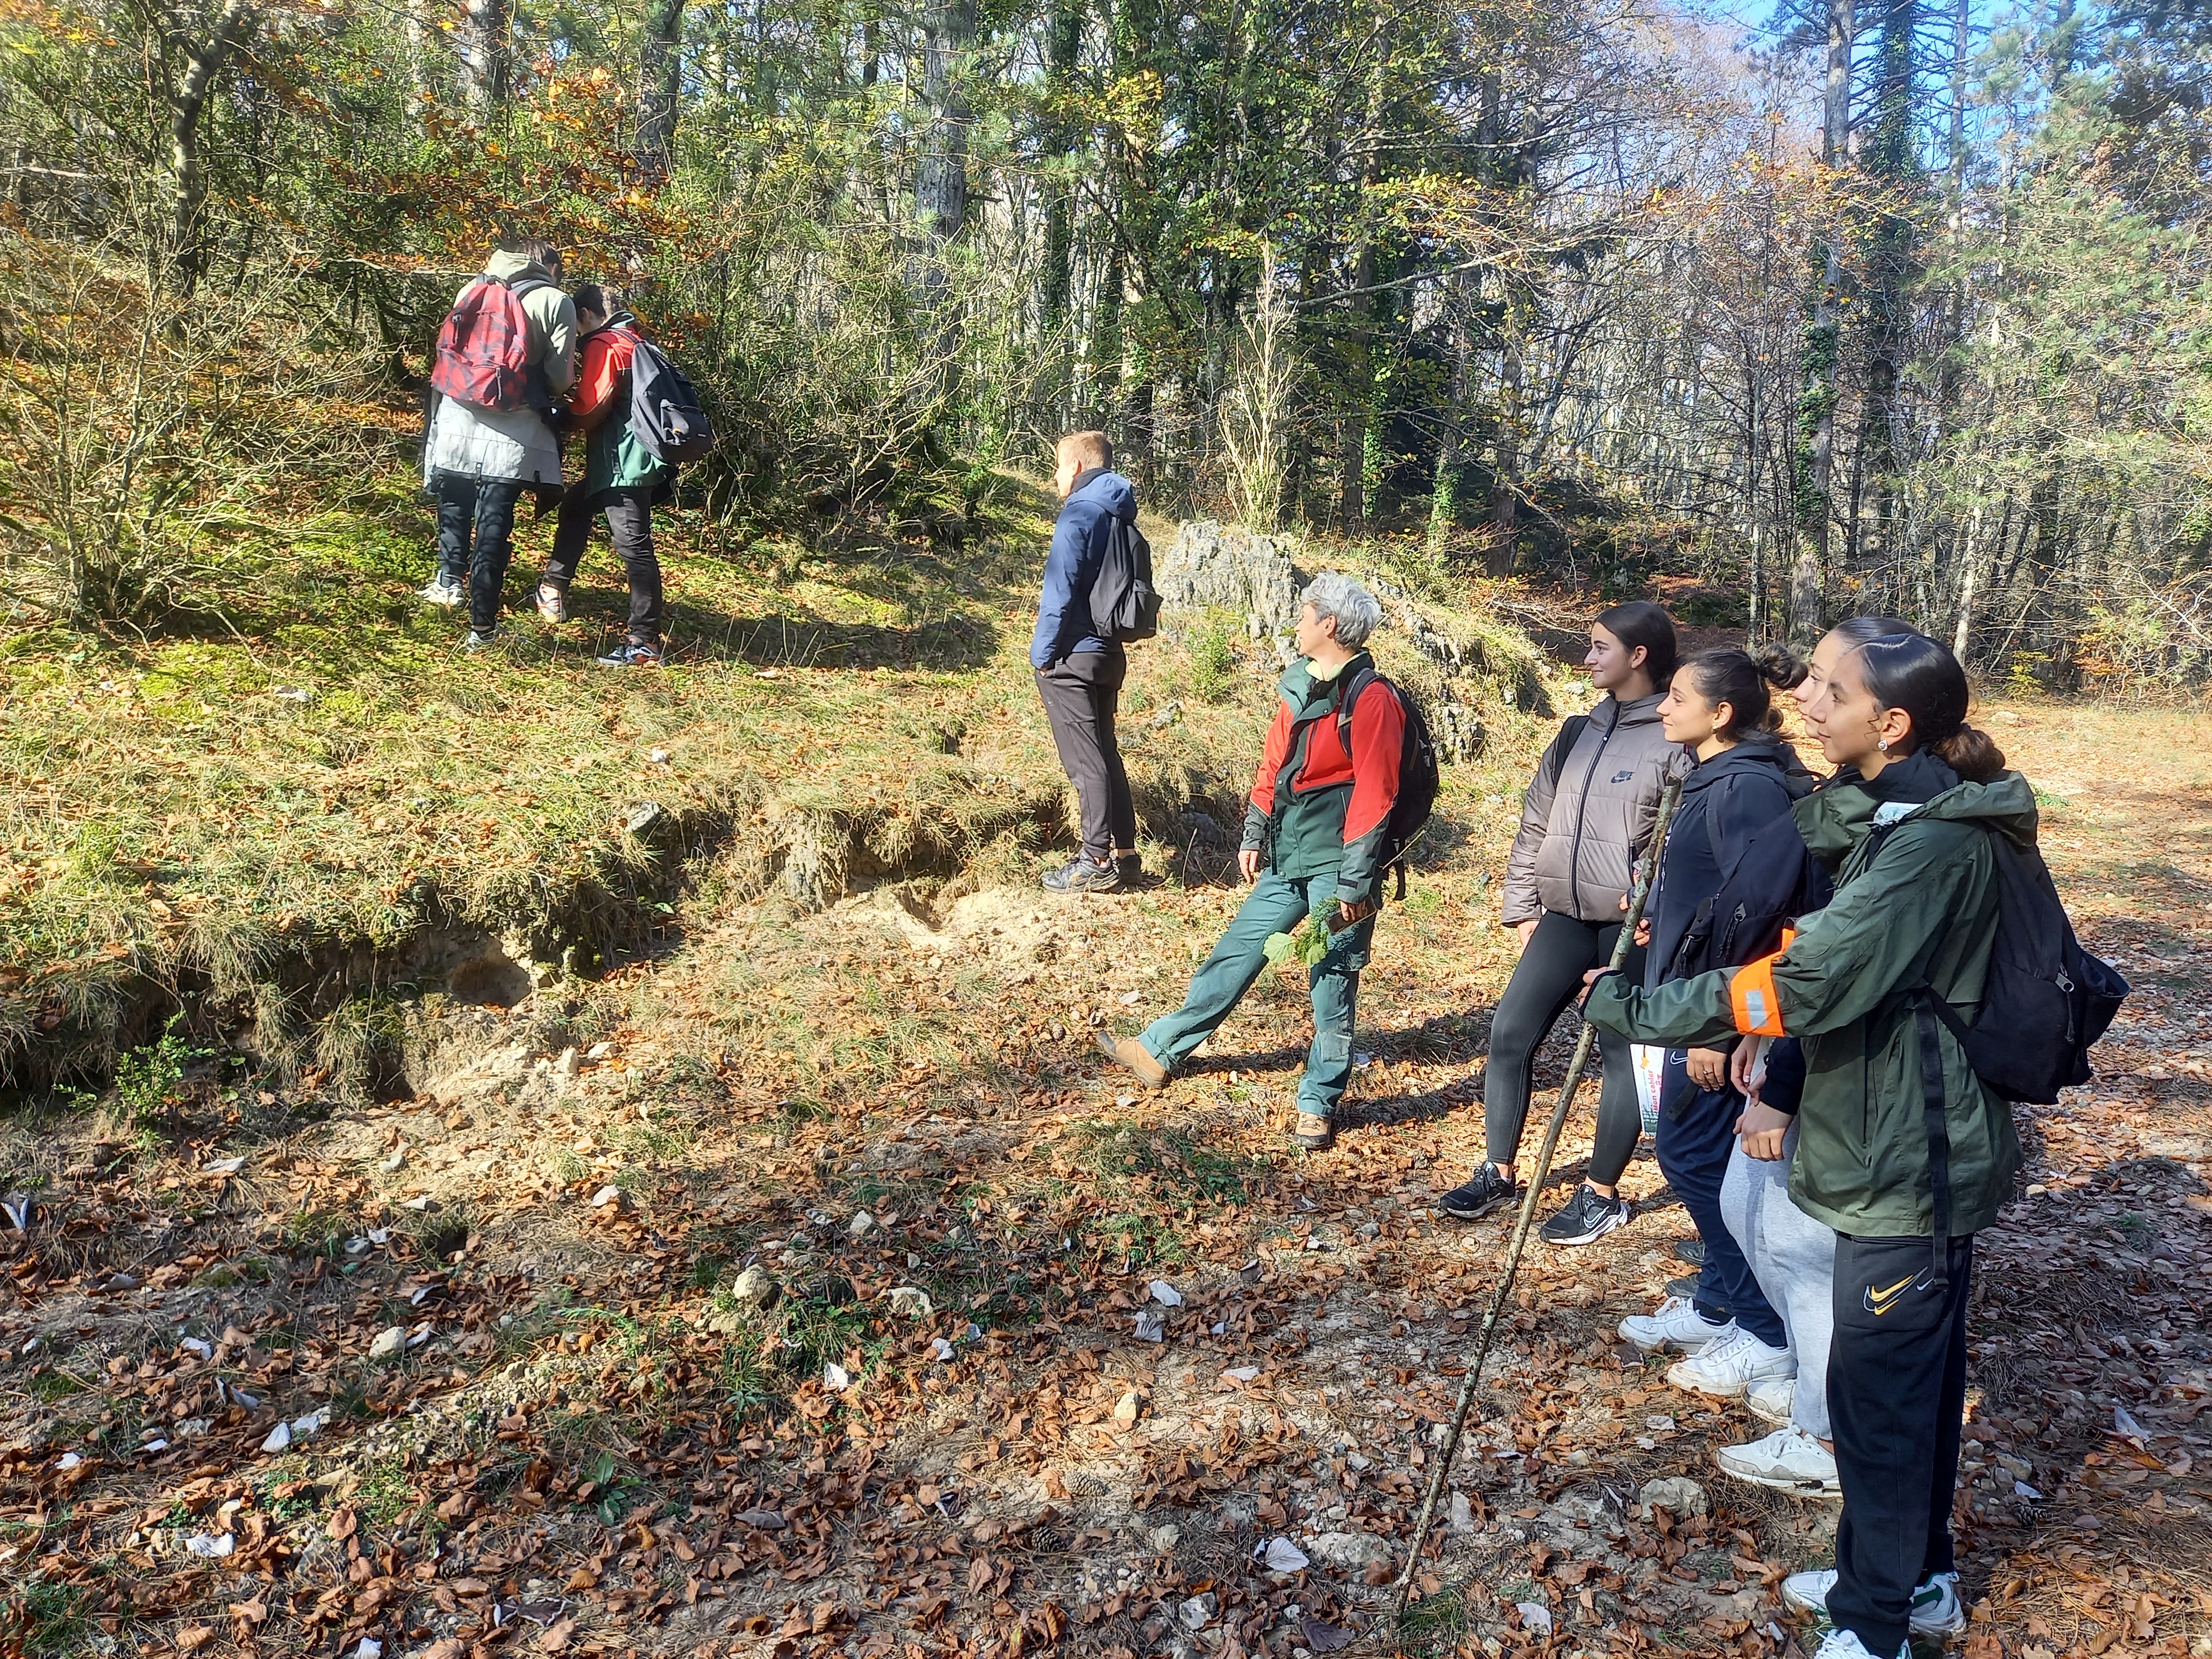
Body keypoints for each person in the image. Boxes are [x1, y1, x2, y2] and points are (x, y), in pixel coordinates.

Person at [1582, 630, 2027, 1659]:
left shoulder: (1932, 843)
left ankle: (1877, 1623)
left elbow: (1809, 983)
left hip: (1907, 1158)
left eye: (1830, 691)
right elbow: (1815, 914)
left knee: (1882, 1395)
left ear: (1895, 721)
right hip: (1885, 1137)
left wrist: (1647, 1008)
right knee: (1903, 1386)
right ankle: (1911, 1581)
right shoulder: (1897, 812)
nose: (1806, 703)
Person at [1097, 573, 1404, 1152]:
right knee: (1237, 953)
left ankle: (1317, 1103)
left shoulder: (1372, 697)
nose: (1297, 621)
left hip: (1339, 870)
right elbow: (1275, 762)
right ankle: (1159, 1050)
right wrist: (1255, 829)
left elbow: (1377, 793)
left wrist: (1355, 880)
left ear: (1329, 625)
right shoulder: (1301, 685)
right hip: (1289, 857)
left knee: (1330, 983)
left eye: (1305, 612)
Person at [1436, 601, 1679, 1244]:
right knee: (1510, 1033)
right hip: (1564, 916)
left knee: (1621, 1057)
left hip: (1628, 930)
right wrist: (1522, 903)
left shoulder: (1673, 737)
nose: (1588, 657)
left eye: (1601, 647)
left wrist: (1657, 908)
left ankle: (1601, 1194)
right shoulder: (1579, 730)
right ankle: (1497, 1170)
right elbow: (1536, 820)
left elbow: (1685, 841)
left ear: (1639, 656)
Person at [1612, 649, 1812, 1417]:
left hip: (1714, 1015)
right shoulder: (1714, 776)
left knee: (1693, 1156)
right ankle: (1721, 1300)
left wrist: (1724, 1030)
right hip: (1686, 996)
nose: (1662, 707)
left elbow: (1759, 916)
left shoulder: (1750, 788)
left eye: (1676, 698)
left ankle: (1763, 1326)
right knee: (1687, 1151)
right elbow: (1714, 897)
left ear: (1720, 714)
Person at [421, 234, 578, 649]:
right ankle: (482, 630)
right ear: (550, 266)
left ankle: (448, 582)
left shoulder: (473, 287)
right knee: (495, 523)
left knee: (454, 501)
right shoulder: (554, 300)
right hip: (515, 428)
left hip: (458, 415)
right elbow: (562, 378)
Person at [533, 284, 670, 667]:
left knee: (634, 547)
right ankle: (552, 587)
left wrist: (558, 418)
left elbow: (592, 405)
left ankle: (644, 642)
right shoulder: (637, 339)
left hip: (622, 464)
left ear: (584, 314)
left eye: (575, 324)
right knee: (576, 508)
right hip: (644, 459)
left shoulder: (605, 343)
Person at [1030, 432, 1141, 893]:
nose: (1055, 476)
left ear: (1076, 465)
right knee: (1106, 753)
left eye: (1058, 466)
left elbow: (1060, 590)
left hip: (1072, 656)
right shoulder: (1122, 515)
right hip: (1109, 653)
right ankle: (1125, 855)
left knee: (1085, 763)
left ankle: (1094, 860)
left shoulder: (1078, 512)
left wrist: (1042, 656)